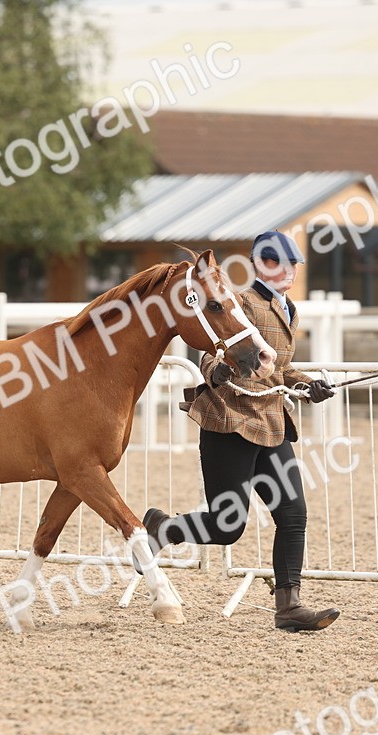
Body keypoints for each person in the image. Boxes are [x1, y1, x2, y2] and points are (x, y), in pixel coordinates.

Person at [139, 231, 341, 632]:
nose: (289, 271)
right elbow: (210, 353)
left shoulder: (288, 309)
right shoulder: (242, 301)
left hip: (271, 424)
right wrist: (222, 371)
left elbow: (278, 371)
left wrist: (308, 387)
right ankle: (164, 528)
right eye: (279, 262)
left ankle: (289, 606)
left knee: (293, 512)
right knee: (227, 527)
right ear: (259, 264)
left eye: (294, 263)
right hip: (230, 423)